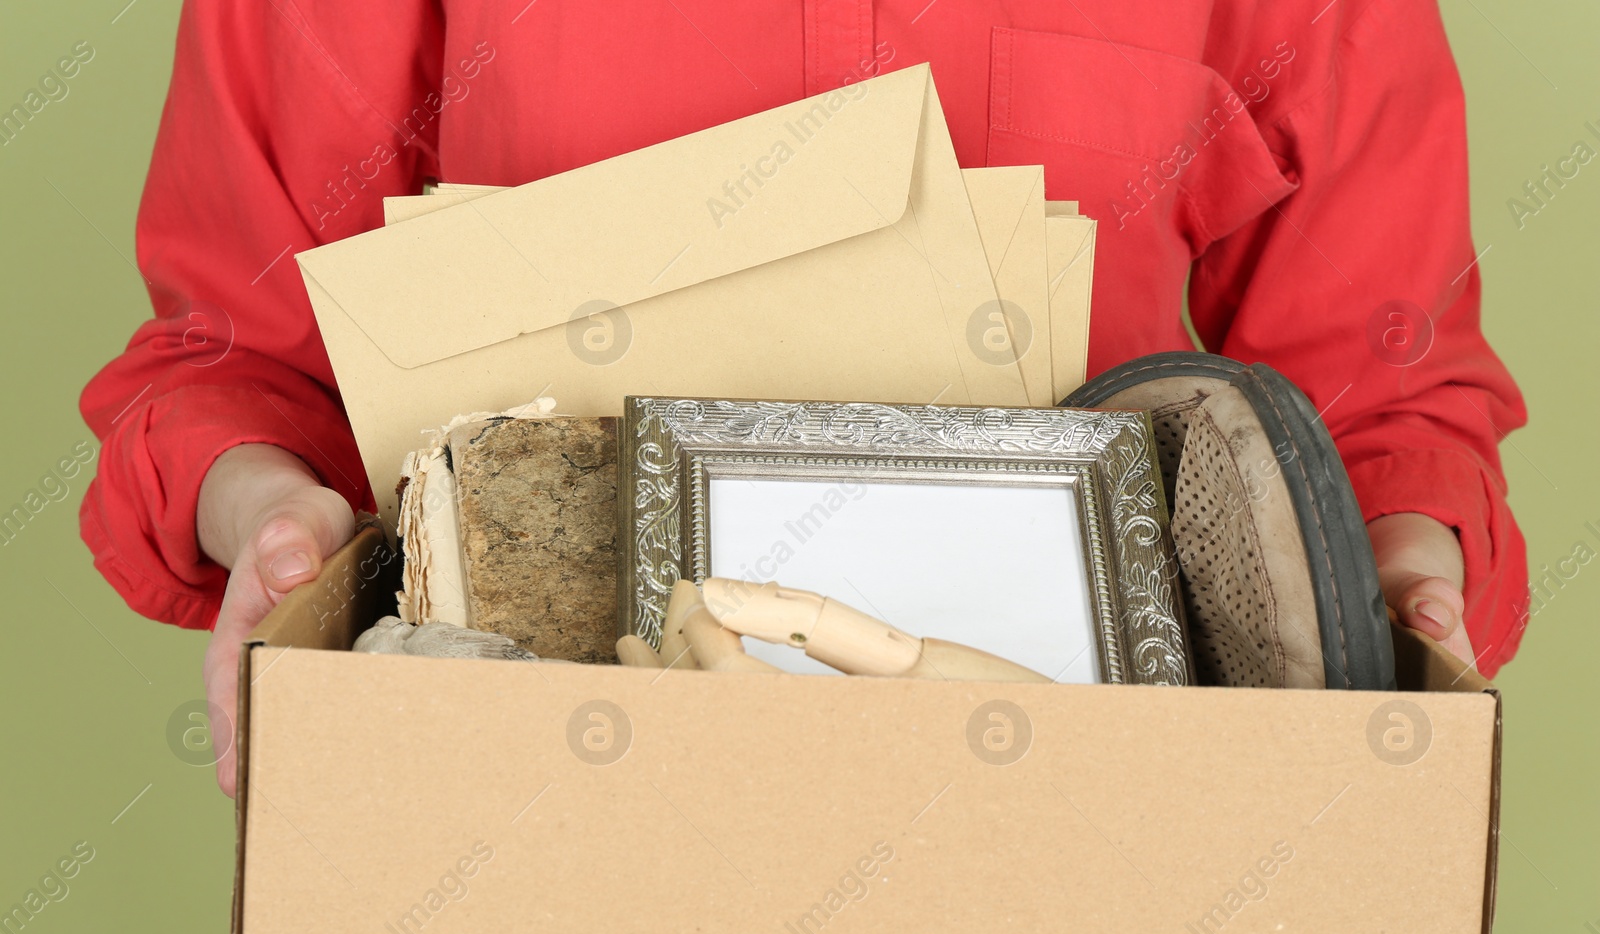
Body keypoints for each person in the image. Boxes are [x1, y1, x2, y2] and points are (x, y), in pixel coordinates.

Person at [79, 0, 1527, 795]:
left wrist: (1402, 580)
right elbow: (240, 359)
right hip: (525, 820)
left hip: (1097, 843)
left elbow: (1383, 410)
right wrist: (267, 512)